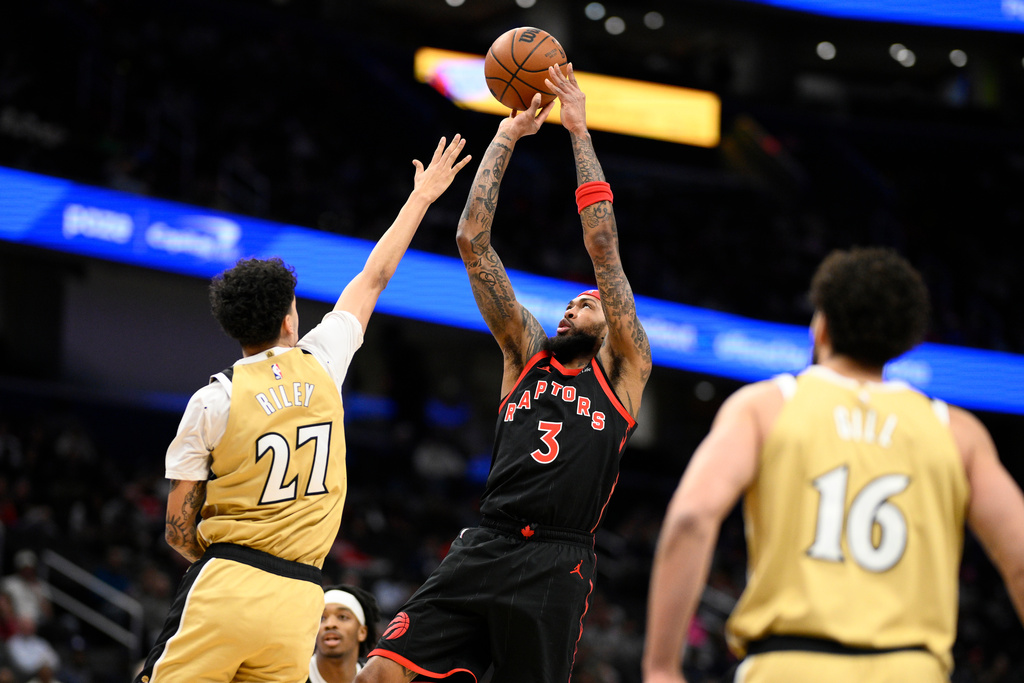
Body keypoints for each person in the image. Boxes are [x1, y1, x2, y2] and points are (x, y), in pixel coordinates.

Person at [134, 135, 471, 683]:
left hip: (228, 581)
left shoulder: (213, 399)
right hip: (300, 598)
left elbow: (177, 530)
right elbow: (374, 277)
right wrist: (422, 196)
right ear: (291, 320)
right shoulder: (323, 362)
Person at [357, 64, 652, 683]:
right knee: (381, 673)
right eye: (570, 302)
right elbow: (472, 239)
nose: (576, 305)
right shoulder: (524, 355)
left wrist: (578, 131)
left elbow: (603, 248)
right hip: (486, 541)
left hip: (557, 557)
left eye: (589, 302)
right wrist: (508, 136)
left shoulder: (625, 368)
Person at [642, 247, 1024, 683]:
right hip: (912, 669)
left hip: (788, 664)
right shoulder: (958, 431)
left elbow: (692, 517)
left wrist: (661, 667)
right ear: (906, 342)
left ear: (821, 327)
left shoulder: (766, 406)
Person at [309, 585, 381, 683]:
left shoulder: (377, 679)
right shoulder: (293, 675)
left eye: (342, 617)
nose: (330, 624)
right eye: (322, 618)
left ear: (362, 632)